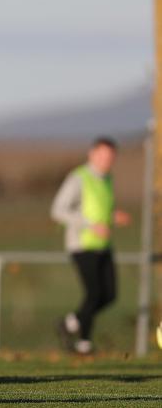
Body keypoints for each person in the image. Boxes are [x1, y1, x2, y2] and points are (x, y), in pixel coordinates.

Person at [51, 137, 130, 355]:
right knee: (94, 294)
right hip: (82, 244)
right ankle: (84, 342)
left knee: (110, 295)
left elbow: (99, 210)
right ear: (91, 154)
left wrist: (113, 217)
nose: (106, 160)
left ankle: (70, 323)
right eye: (102, 155)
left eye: (110, 157)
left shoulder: (107, 179)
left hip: (103, 244)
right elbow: (58, 210)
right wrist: (90, 225)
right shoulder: (79, 178)